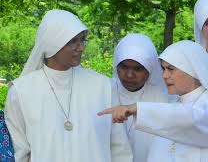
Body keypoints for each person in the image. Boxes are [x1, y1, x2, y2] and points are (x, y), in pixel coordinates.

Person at [4, 10, 132, 162]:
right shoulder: (21, 91)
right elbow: (20, 153)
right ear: (52, 42)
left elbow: (119, 148)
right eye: (73, 42)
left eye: (82, 40)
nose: (81, 48)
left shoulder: (102, 85)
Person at [99, 40, 208, 162]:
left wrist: (137, 108)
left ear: (191, 69)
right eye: (163, 69)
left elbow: (194, 118)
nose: (164, 75)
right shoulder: (173, 106)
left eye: (171, 69)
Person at [111, 33, 169, 162]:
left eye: (138, 69)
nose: (129, 75)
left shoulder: (163, 98)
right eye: (124, 67)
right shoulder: (104, 91)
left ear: (150, 69)